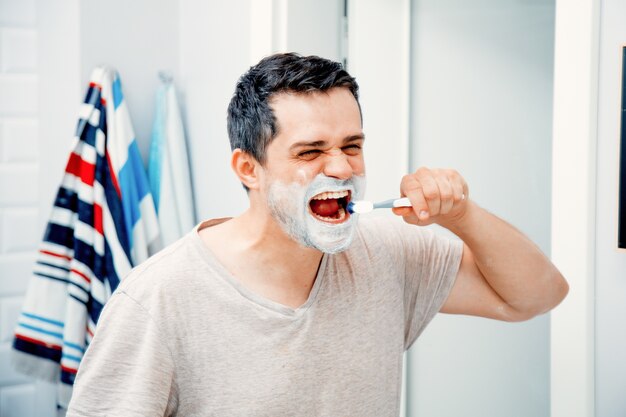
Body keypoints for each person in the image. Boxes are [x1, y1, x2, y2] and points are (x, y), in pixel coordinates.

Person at [66, 53, 568, 416]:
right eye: (310, 152)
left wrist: (462, 216)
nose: (341, 168)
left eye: (352, 146)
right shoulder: (158, 298)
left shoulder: (388, 252)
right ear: (248, 168)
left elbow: (538, 295)